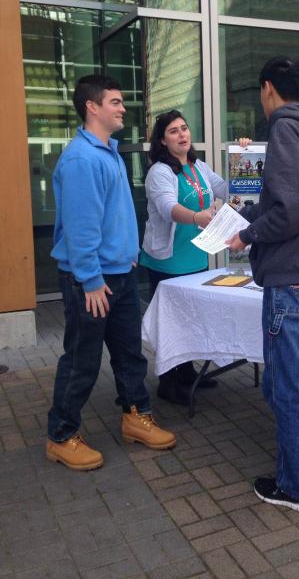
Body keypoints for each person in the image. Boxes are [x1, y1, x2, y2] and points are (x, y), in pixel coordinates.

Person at [227, 56, 299, 513]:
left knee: (290, 384)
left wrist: (249, 234)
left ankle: (297, 488)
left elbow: (298, 206)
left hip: (292, 278)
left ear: (268, 88)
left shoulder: (283, 130)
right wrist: (250, 216)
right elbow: (293, 201)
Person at [46, 75, 176, 471]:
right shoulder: (82, 159)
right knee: (82, 361)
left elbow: (112, 215)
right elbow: (81, 226)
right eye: (115, 102)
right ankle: (61, 436)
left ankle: (136, 417)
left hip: (117, 273)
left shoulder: (109, 153)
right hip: (93, 282)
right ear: (92, 107)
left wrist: (128, 253)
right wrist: (90, 279)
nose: (123, 108)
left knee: (128, 355)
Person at [139, 110, 251, 404]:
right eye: (174, 131)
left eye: (185, 129)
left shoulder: (198, 166)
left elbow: (227, 190)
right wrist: (198, 217)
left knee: (189, 319)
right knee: (171, 321)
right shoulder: (159, 172)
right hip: (168, 259)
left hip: (197, 257)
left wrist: (242, 156)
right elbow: (167, 208)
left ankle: (187, 374)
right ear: (162, 140)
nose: (182, 135)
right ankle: (168, 382)